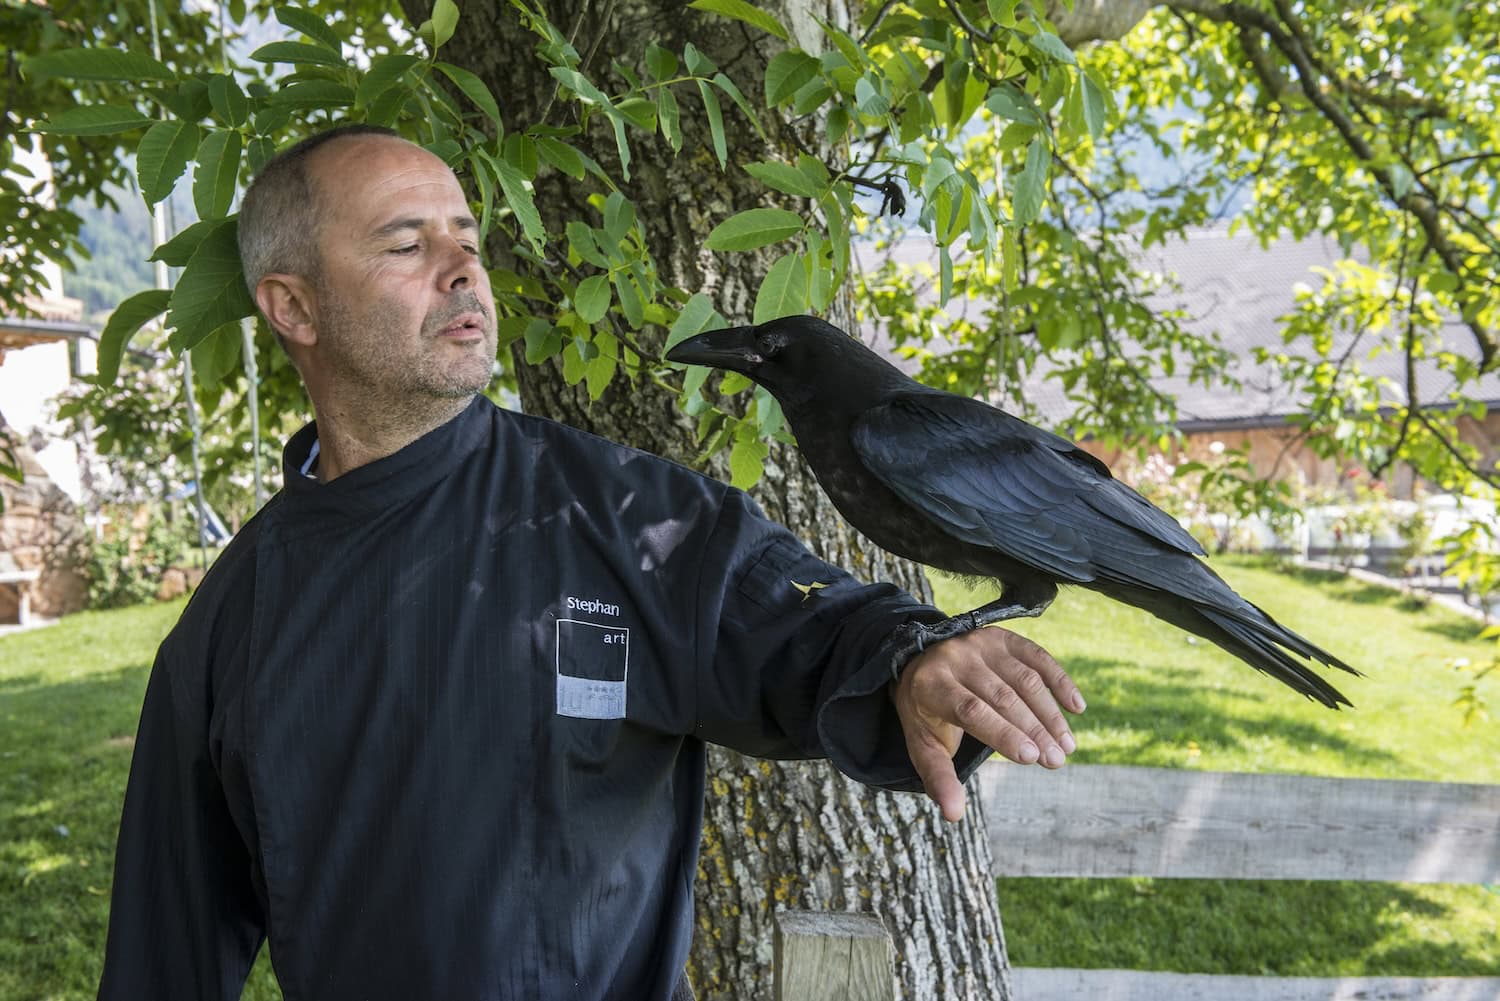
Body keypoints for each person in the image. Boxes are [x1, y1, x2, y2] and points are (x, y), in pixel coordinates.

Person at [97, 125, 1085, 1000]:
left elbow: (811, 624)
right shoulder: (228, 629)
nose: (462, 269)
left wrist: (914, 657)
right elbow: (164, 951)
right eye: (407, 242)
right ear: (294, 309)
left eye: (468, 241)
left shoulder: (623, 514)